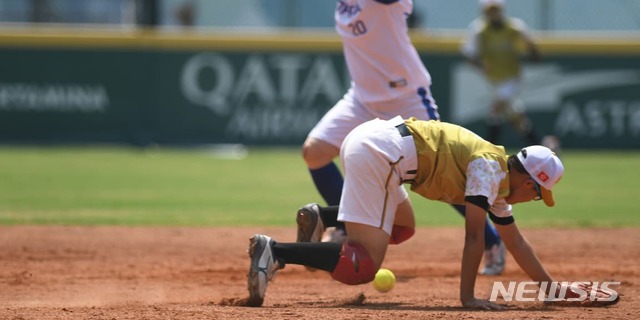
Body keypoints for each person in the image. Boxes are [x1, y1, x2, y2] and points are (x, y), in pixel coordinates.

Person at [247, 116, 565, 309]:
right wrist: (467, 298)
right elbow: (473, 237)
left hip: (379, 147)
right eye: (539, 193)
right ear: (527, 181)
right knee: (363, 265)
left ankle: (324, 217)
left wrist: (551, 289)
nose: (535, 199)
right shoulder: (488, 169)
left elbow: (517, 243)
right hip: (382, 154)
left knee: (403, 226)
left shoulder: (496, 180)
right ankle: (274, 252)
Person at [303, 0, 506, 275]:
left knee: (445, 176)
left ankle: (491, 242)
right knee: (314, 152)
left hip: (406, 98)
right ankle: (343, 225)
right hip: (361, 99)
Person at [461, 0, 553, 148]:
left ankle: (489, 148)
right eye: (490, 10)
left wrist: (533, 53)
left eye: (496, 9)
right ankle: (541, 143)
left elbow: (532, 48)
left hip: (513, 77)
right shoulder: (479, 30)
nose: (493, 13)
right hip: (493, 79)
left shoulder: (514, 27)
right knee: (516, 117)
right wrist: (480, 66)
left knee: (496, 109)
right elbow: (469, 54)